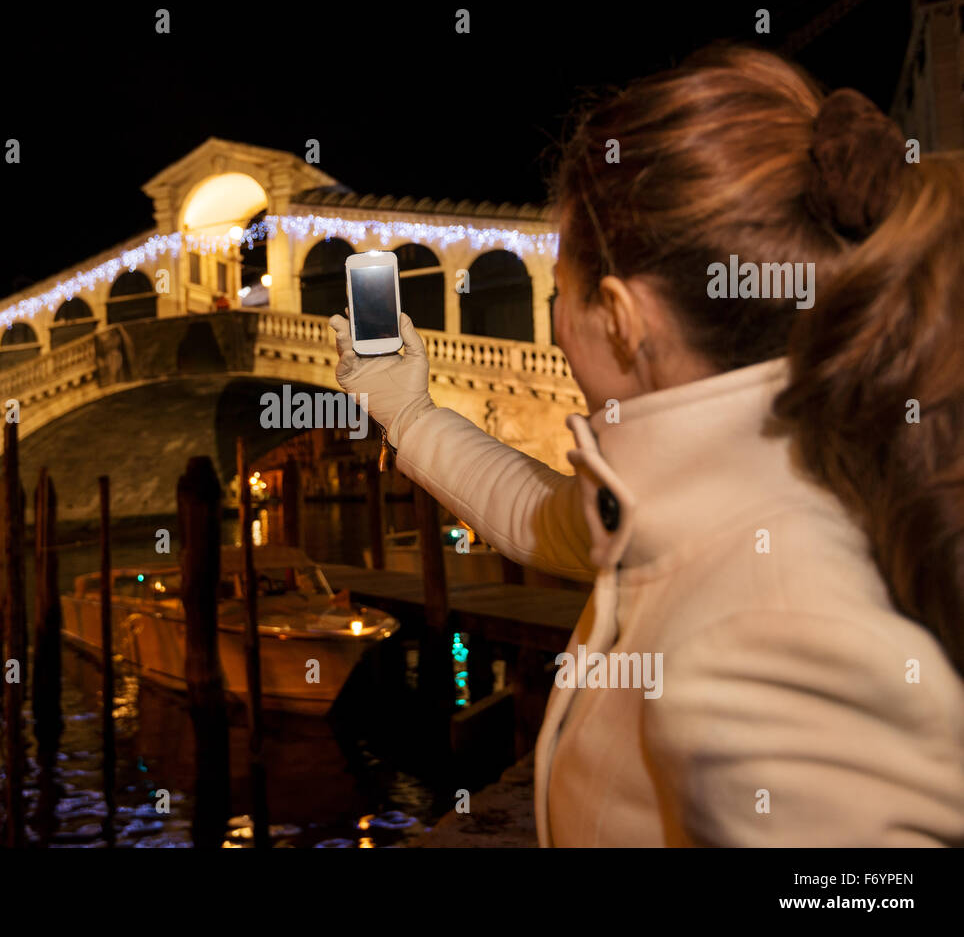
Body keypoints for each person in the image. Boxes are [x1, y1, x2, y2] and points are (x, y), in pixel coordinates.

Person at [330, 45, 964, 846]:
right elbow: (542, 515)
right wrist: (408, 411)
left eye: (561, 289)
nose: (556, 317)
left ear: (623, 319)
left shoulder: (777, 645)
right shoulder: (766, 470)